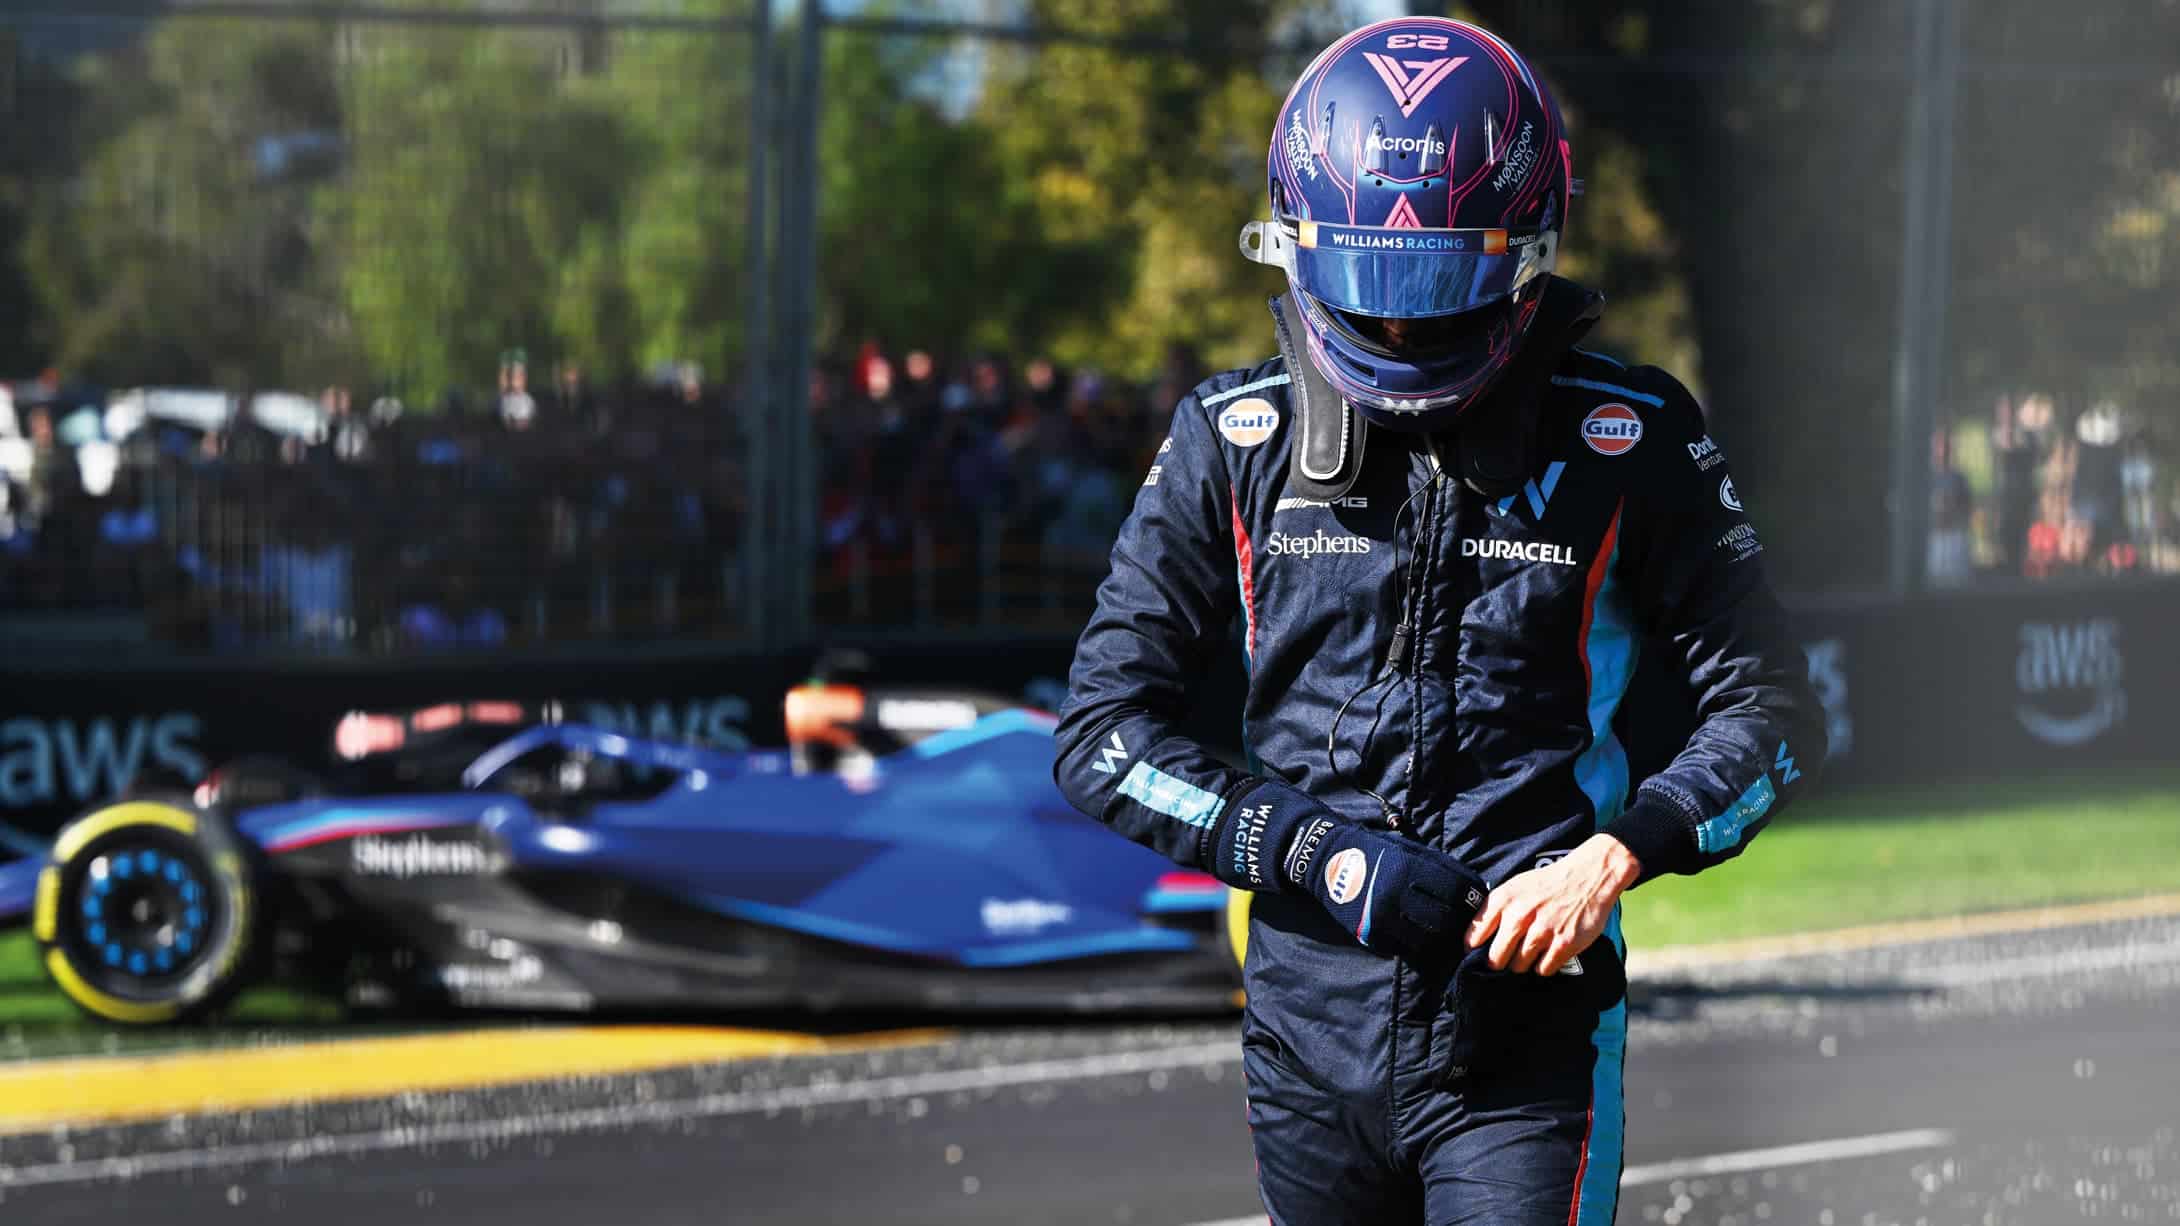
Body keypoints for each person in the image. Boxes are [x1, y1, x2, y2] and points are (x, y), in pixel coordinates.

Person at [1051, 18, 1825, 1225]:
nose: (1404, 326)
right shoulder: (1230, 436)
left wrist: (1613, 856)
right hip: (1305, 1034)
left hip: (1531, 1033)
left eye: (1437, 283)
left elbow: (1773, 713)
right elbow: (1100, 734)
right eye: (1375, 284)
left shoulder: (1630, 435)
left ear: (1529, 246)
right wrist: (1317, 854)